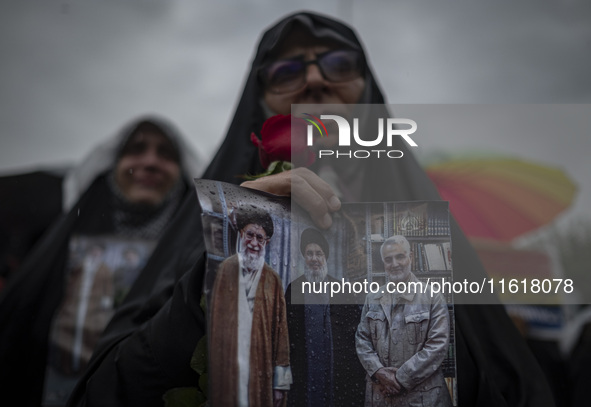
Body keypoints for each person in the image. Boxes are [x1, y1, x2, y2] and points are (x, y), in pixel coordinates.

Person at [67, 11, 555, 407]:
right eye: (287, 70)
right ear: (258, 103)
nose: (316, 80)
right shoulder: (222, 230)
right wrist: (223, 265)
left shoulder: (427, 238)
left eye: (339, 63)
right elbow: (108, 387)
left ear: (368, 94)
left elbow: (513, 386)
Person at [0, 116, 203, 407]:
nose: (150, 162)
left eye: (166, 154)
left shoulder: (194, 255)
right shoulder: (63, 244)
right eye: (136, 149)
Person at [209, 206, 291, 407]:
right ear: (241, 234)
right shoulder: (226, 269)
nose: (254, 243)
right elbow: (215, 324)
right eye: (250, 235)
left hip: (261, 365)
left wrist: (280, 385)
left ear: (267, 242)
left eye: (260, 238)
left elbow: (281, 334)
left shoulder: (273, 279)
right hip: (229, 363)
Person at [356, 235, 452, 407]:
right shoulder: (373, 298)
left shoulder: (433, 297)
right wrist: (378, 371)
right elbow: (362, 339)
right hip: (380, 398)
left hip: (422, 399)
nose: (394, 264)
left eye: (400, 256)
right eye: (388, 259)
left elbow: (438, 346)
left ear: (411, 257)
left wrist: (398, 379)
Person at [285, 227, 365, 406]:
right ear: (304, 257)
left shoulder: (342, 289)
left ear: (325, 257)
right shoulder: (294, 289)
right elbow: (286, 335)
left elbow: (355, 334)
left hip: (336, 372)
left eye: (318, 253)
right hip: (304, 371)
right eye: (309, 253)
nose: (314, 258)